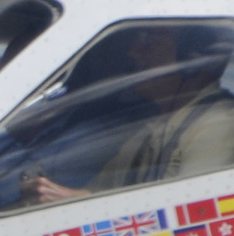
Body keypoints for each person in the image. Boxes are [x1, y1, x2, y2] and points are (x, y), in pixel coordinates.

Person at [26, 23, 234, 203]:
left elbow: (191, 212)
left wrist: (74, 200)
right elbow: (101, 191)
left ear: (191, 55)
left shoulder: (219, 125)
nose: (133, 51)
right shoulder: (152, 128)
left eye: (149, 40)